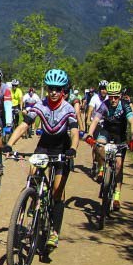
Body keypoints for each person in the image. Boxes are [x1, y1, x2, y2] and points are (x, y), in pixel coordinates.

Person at [6, 68, 80, 249]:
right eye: (50, 88)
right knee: (33, 171)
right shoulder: (41, 105)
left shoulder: (68, 108)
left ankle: (54, 232)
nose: (53, 92)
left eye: (57, 89)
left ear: (63, 91)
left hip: (63, 148)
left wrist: (73, 148)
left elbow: (74, 131)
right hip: (45, 145)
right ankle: (35, 195)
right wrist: (10, 144)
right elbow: (24, 125)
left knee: (57, 191)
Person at [84, 81, 133, 209]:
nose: (113, 99)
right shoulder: (105, 105)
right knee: (99, 147)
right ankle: (103, 169)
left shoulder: (125, 105)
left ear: (120, 96)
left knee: (119, 166)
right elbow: (95, 120)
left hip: (120, 135)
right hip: (106, 132)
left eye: (116, 97)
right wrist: (90, 135)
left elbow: (132, 122)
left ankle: (117, 196)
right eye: (111, 96)